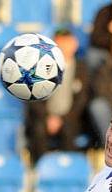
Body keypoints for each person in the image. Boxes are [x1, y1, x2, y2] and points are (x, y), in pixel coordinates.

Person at [25, 28, 90, 163]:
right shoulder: (39, 68)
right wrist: (48, 117)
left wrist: (63, 119)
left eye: (67, 43)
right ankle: (40, 169)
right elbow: (33, 97)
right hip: (45, 117)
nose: (64, 48)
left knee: (69, 130)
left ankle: (69, 169)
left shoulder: (83, 68)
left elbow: (82, 99)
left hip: (71, 117)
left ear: (75, 44)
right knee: (38, 130)